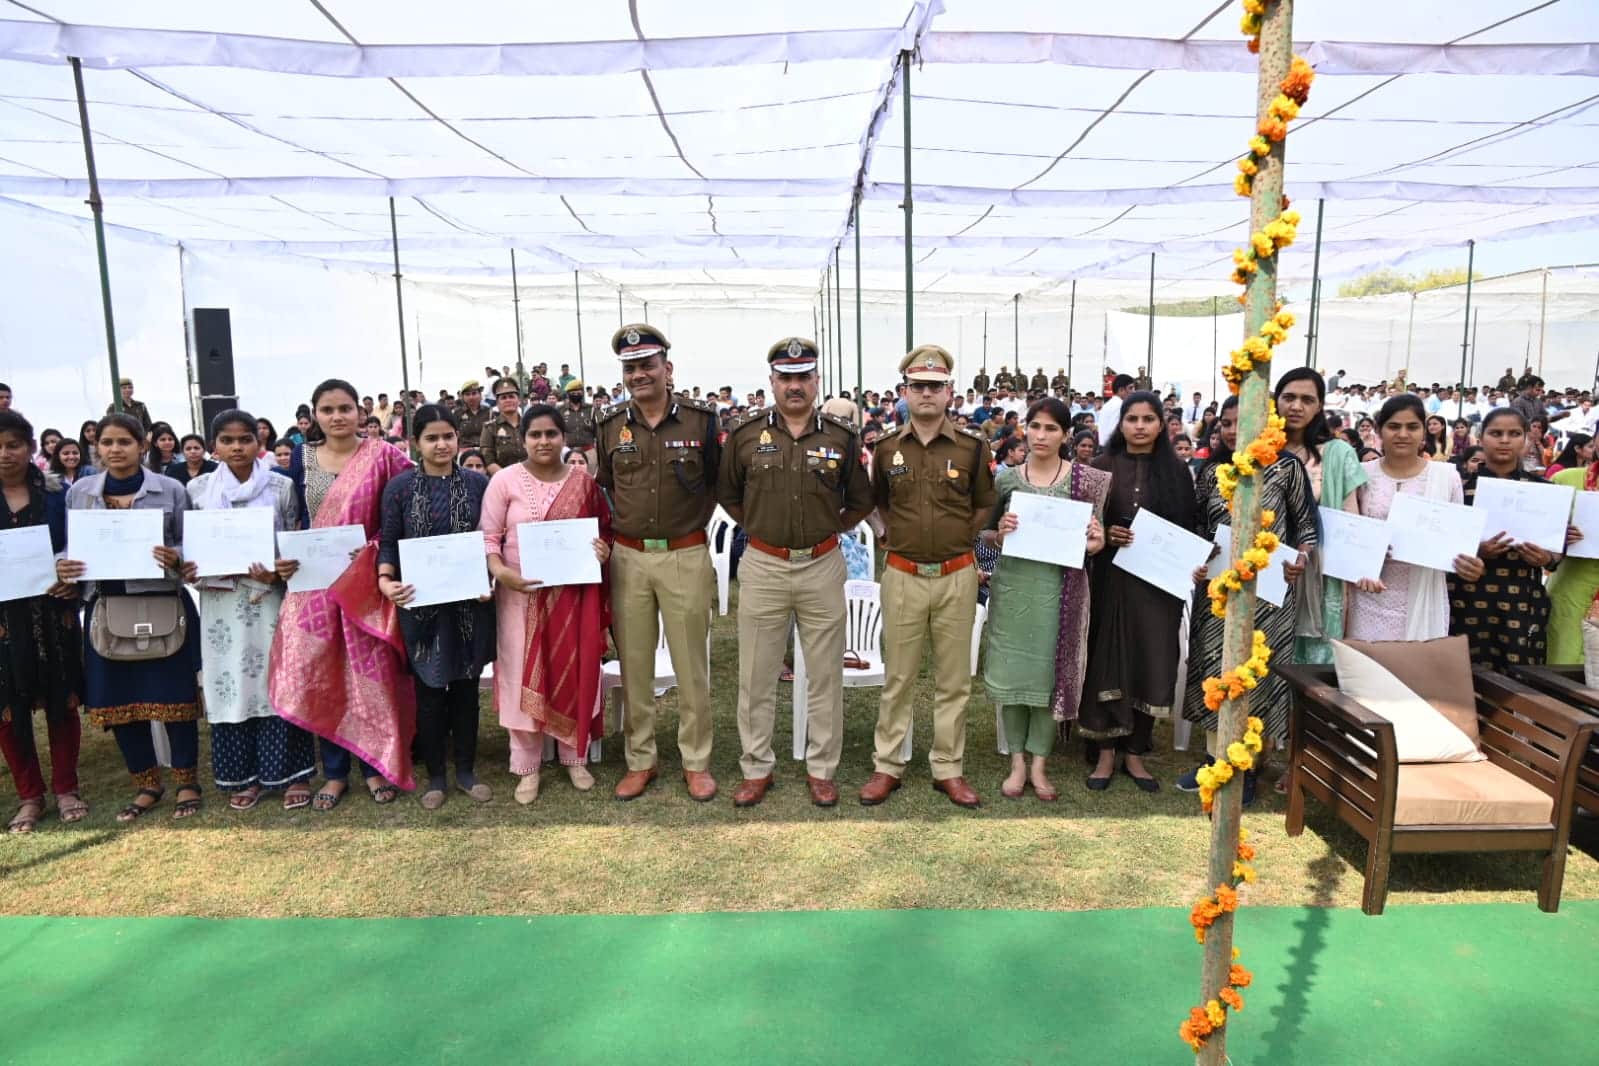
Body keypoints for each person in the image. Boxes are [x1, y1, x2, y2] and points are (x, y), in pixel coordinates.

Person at [718, 339, 872, 808]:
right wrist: (762, 528)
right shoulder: (745, 435)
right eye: (785, 377)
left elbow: (861, 499)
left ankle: (822, 768)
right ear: (772, 383)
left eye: (803, 376)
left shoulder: (841, 437)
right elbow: (728, 494)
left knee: (825, 674)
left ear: (816, 381)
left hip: (823, 565)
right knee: (756, 675)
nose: (794, 386)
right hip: (763, 565)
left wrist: (831, 529)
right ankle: (755, 767)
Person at [861, 345, 997, 809]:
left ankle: (948, 767)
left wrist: (959, 538)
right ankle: (888, 765)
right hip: (902, 575)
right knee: (898, 676)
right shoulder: (884, 449)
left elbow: (983, 505)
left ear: (949, 393)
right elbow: (875, 503)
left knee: (954, 679)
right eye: (918, 386)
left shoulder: (972, 448)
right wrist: (890, 535)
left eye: (935, 387)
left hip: (957, 575)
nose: (926, 394)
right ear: (904, 392)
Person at [270, 379, 416, 809]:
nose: (337, 417)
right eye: (328, 409)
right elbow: (293, 519)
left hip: (365, 583)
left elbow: (405, 509)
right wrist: (283, 558)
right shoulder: (301, 459)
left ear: (360, 412)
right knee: (324, 672)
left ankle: (374, 767)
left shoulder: (385, 456)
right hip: (312, 583)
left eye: (345, 408)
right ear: (314, 415)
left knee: (369, 672)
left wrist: (375, 544)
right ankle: (334, 773)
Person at [595, 324, 722, 802]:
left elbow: (715, 483)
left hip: (685, 553)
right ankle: (640, 759)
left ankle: (696, 760)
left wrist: (690, 530)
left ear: (668, 369)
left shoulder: (700, 421)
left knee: (691, 663)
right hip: (629, 557)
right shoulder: (609, 425)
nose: (639, 374)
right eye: (630, 368)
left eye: (648, 365)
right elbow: (606, 483)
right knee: (635, 664)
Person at [58, 413, 203, 822]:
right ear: (97, 448)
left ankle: (187, 782)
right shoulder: (81, 492)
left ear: (143, 445)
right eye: (107, 443)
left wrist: (177, 556)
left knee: (176, 700)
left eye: (125, 442)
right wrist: (63, 566)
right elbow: (67, 546)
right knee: (120, 703)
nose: (115, 450)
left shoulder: (171, 489)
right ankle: (147, 784)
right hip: (106, 604)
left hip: (163, 602)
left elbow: (191, 544)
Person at [1177, 395, 1317, 802]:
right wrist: (1199, 561)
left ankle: (1248, 766)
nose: (1235, 430)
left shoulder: (1286, 468)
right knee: (1213, 665)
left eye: (1244, 421)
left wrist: (1300, 561)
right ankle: (1212, 758)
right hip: (1219, 590)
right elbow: (1200, 528)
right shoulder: (1211, 471)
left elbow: (1306, 527)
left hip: (1270, 593)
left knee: (1259, 672)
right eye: (1227, 422)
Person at [184, 409, 314, 811]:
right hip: (220, 601)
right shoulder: (198, 490)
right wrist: (188, 567)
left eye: (245, 439)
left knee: (275, 680)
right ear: (214, 446)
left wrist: (281, 568)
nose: (237, 447)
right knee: (231, 684)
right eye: (227, 440)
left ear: (259, 443)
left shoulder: (280, 487)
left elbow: (293, 540)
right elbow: (189, 549)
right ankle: (243, 776)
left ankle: (292, 775)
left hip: (269, 597)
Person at [482, 404, 612, 802]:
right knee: (522, 673)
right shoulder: (505, 481)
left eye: (551, 434)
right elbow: (488, 539)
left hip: (573, 596)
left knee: (574, 667)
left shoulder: (583, 483)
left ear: (563, 439)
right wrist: (503, 574)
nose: (543, 442)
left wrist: (603, 551)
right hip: (519, 597)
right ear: (522, 439)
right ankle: (527, 765)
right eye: (535, 435)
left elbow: (604, 531)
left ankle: (576, 756)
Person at [981, 397, 1108, 803]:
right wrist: (1000, 530)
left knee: (1047, 677)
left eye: (1052, 428)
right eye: (1035, 426)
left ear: (1066, 434)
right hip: (1014, 591)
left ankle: (1039, 763)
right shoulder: (1006, 480)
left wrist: (1096, 540)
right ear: (1025, 430)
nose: (1041, 435)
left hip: (1060, 594)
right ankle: (1017, 762)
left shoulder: (1085, 481)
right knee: (1014, 679)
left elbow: (1095, 541)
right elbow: (984, 534)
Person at [377, 406, 497, 810]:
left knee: (465, 688)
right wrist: (384, 580)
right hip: (421, 605)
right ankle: (436, 777)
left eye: (448, 436)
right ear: (416, 443)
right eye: (432, 438)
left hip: (469, 604)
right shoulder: (399, 489)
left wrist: (490, 579)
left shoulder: (480, 485)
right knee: (429, 691)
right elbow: (390, 540)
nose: (442, 444)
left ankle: (465, 771)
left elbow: (492, 538)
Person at [1080, 390, 1198, 792]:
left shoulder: (1176, 471)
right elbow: (1084, 526)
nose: (1141, 426)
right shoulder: (1101, 467)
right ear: (1122, 423)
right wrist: (1107, 532)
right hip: (1110, 580)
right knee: (1108, 655)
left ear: (1161, 425)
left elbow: (1188, 528)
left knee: (1151, 655)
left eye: (1149, 419)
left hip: (1157, 584)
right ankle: (1106, 751)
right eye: (1133, 419)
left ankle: (1135, 750)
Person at [0, 411, 86, 832]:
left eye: (13, 444)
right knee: (8, 712)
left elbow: (78, 547)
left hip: (54, 612)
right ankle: (30, 796)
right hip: (2, 623)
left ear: (32, 449)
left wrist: (74, 581)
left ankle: (67, 787)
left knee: (62, 702)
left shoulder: (56, 496)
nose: (4, 453)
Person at [1345, 395, 1484, 641]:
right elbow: (1350, 533)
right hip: (1367, 594)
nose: (1403, 434)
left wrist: (1467, 563)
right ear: (1379, 431)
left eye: (1412, 427)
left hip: (1424, 596)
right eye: (1394, 426)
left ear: (1423, 432)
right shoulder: (1361, 474)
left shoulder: (1445, 477)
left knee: (1415, 673)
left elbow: (1455, 539)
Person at [1446, 408, 1558, 671]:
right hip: (1467, 600)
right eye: (1496, 433)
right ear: (1481, 438)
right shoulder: (1458, 490)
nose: (1505, 440)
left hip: (1522, 601)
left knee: (1518, 682)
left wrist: (1546, 558)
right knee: (1465, 678)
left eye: (1514, 434)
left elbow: (1555, 556)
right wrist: (1477, 550)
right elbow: (1441, 545)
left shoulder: (1545, 492)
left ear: (1526, 439)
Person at [1275, 368, 1368, 666]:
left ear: (1319, 406)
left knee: (1313, 667)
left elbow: (1350, 517)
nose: (1296, 406)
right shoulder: (1260, 450)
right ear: (1276, 401)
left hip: (1320, 574)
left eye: (1306, 399)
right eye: (1288, 397)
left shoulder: (1338, 453)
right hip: (1268, 569)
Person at [479, 377, 527, 474]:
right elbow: (488, 460)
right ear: (497, 402)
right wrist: (507, 480)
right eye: (503, 398)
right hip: (502, 480)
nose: (508, 400)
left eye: (511, 396)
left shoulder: (530, 425)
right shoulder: (490, 428)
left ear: (518, 400)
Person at [561, 380, 598, 459]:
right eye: (573, 393)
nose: (576, 395)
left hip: (588, 450)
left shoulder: (590, 409)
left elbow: (597, 429)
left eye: (579, 393)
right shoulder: (561, 410)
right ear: (568, 394)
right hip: (567, 451)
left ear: (582, 394)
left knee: (590, 471)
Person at [1098, 373, 1134, 447]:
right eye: (1130, 388)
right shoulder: (1120, 406)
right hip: (1112, 449)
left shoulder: (1109, 404)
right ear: (1121, 390)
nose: (1133, 391)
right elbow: (1114, 431)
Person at [454, 381, 491, 447]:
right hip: (465, 450)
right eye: (467, 394)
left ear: (480, 395)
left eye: (474, 393)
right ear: (463, 397)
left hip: (486, 449)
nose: (471, 397)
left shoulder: (489, 412)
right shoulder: (457, 413)